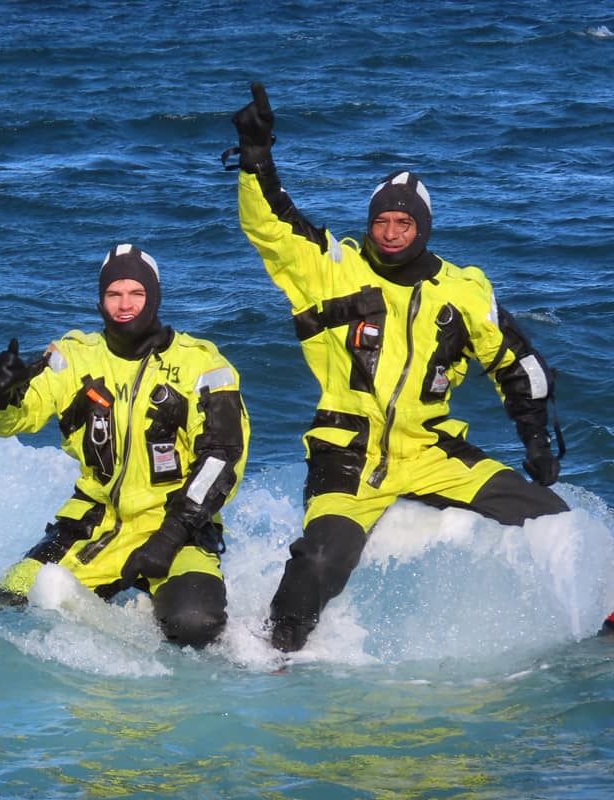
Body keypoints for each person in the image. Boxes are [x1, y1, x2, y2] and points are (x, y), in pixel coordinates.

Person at [228, 82, 569, 653]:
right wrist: (257, 158)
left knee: (552, 517)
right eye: (382, 221)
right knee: (317, 559)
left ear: (422, 227)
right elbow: (274, 229)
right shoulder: (334, 269)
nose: (390, 233)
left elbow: (518, 363)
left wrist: (534, 441)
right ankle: (272, 652)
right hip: (348, 453)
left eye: (403, 224)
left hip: (434, 452)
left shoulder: (461, 290)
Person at [0, 244, 250, 647]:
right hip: (93, 523)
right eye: (113, 294)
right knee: (1, 603)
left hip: (179, 525)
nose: (124, 305)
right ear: (100, 299)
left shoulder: (202, 364)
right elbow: (17, 418)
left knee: (195, 626)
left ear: (153, 297)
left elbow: (223, 459)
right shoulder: (72, 357)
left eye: (136, 294)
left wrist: (170, 536)